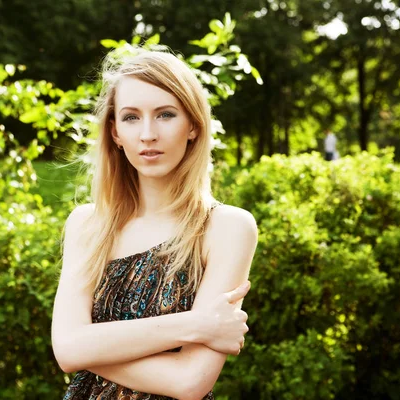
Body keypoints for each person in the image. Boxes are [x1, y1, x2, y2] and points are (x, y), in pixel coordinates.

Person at [51, 49, 258, 400]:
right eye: (131, 118)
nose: (147, 134)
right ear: (114, 132)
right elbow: (67, 351)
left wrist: (91, 347)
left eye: (165, 115)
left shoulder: (226, 227)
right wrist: (196, 325)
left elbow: (189, 383)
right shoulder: (87, 224)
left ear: (193, 125)